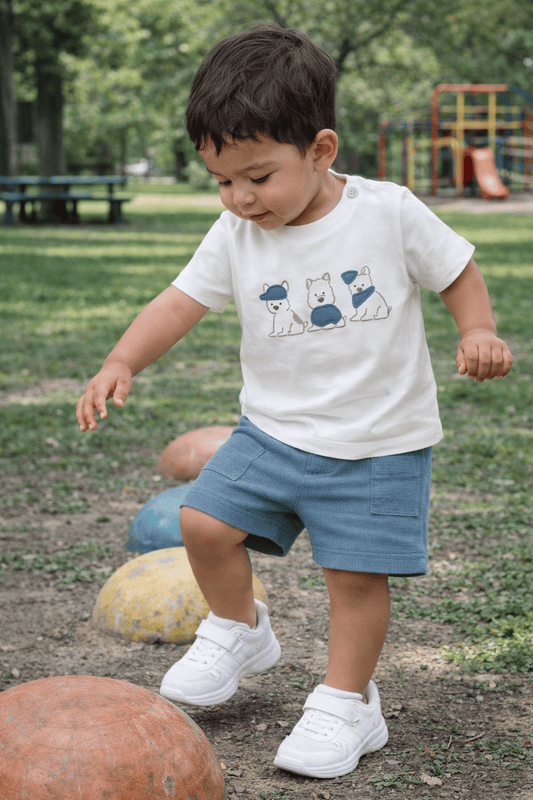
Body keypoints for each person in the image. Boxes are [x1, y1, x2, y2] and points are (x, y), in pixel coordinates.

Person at [76, 24, 513, 780]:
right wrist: (121, 360)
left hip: (378, 441)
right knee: (203, 522)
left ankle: (348, 702)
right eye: (222, 180)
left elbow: (456, 269)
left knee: (352, 579)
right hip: (273, 432)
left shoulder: (387, 211)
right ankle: (239, 627)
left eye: (257, 176)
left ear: (320, 150)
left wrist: (476, 330)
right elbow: (179, 303)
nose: (240, 198)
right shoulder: (236, 233)